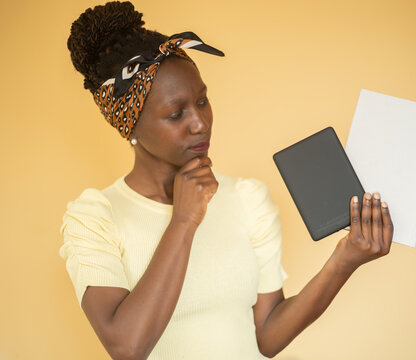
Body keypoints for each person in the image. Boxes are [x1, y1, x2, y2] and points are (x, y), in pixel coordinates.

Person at [59, 1, 394, 359]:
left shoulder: (247, 199)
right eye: (176, 113)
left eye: (202, 101)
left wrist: (344, 261)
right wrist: (185, 220)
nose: (200, 122)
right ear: (130, 127)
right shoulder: (95, 216)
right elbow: (127, 346)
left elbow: (266, 335)